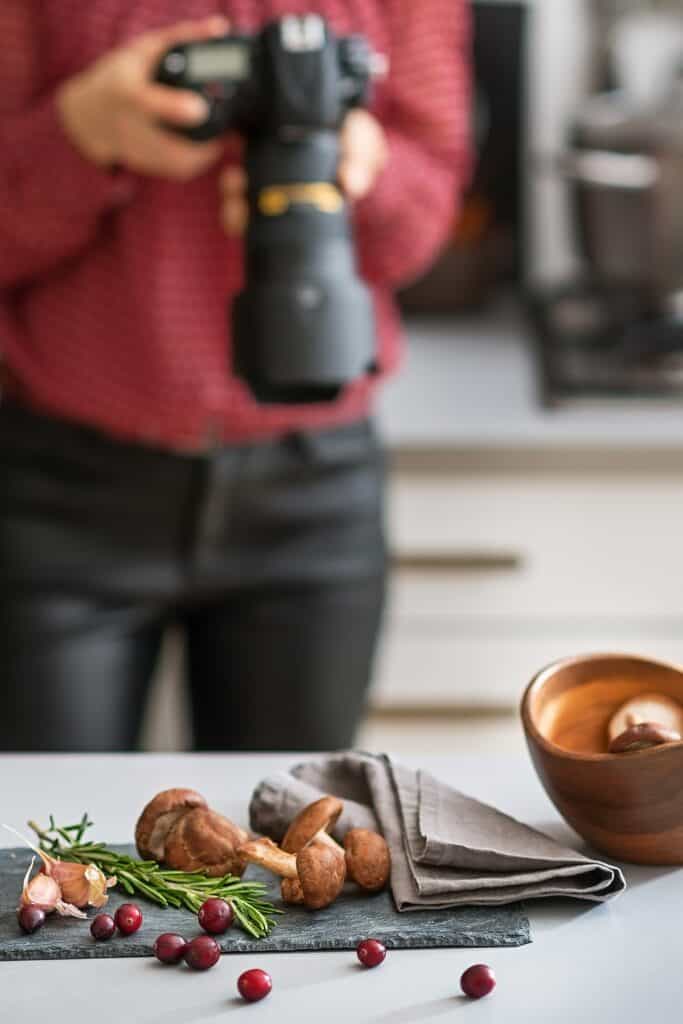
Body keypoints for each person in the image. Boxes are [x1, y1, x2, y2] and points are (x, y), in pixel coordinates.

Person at [0, 2, 470, 753]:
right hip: (60, 488)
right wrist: (80, 133)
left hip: (312, 493)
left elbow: (426, 216)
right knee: (43, 851)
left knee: (293, 851)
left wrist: (356, 172)